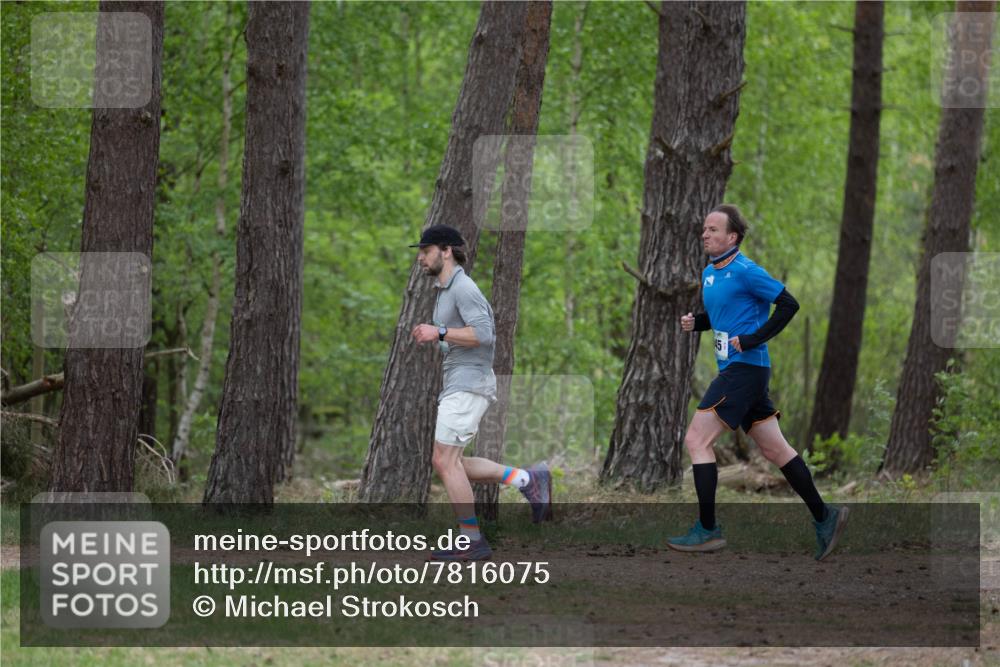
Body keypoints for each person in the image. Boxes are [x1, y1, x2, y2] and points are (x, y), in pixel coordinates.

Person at [667, 205, 849, 561]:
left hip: (744, 370)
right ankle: (826, 517)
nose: (705, 234)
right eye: (704, 229)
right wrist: (697, 323)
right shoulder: (710, 272)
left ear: (732, 237)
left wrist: (754, 339)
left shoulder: (747, 271)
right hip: (742, 372)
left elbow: (789, 304)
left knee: (696, 440)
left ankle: (707, 529)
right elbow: (724, 315)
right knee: (776, 450)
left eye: (713, 229)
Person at [409, 224, 552, 562]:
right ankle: (528, 479)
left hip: (469, 383)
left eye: (426, 251)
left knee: (444, 460)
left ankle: (471, 539)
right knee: (452, 462)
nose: (420, 258)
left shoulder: (464, 288)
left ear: (446, 251)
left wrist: (438, 332)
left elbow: (485, 335)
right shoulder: (446, 290)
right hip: (462, 382)